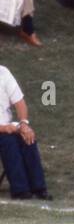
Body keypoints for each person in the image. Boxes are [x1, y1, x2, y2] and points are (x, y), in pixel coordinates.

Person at [0, 64, 50, 200]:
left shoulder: (3, 72)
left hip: (7, 126)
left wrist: (23, 123)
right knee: (8, 141)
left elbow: (20, 102)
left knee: (27, 136)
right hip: (3, 129)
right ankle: (20, 190)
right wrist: (4, 128)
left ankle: (39, 188)